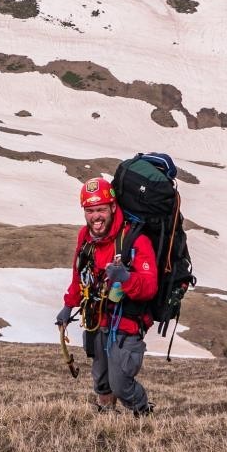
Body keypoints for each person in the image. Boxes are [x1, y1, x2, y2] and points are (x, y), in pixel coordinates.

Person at [55, 177, 159, 417]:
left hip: (126, 323)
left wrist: (126, 278)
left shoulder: (135, 240)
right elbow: (78, 274)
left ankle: (143, 413)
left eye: (101, 209)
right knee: (101, 379)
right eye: (90, 211)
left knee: (121, 384)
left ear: (113, 207)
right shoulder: (85, 238)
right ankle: (106, 416)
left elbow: (150, 287)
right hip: (96, 319)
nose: (96, 217)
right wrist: (67, 306)